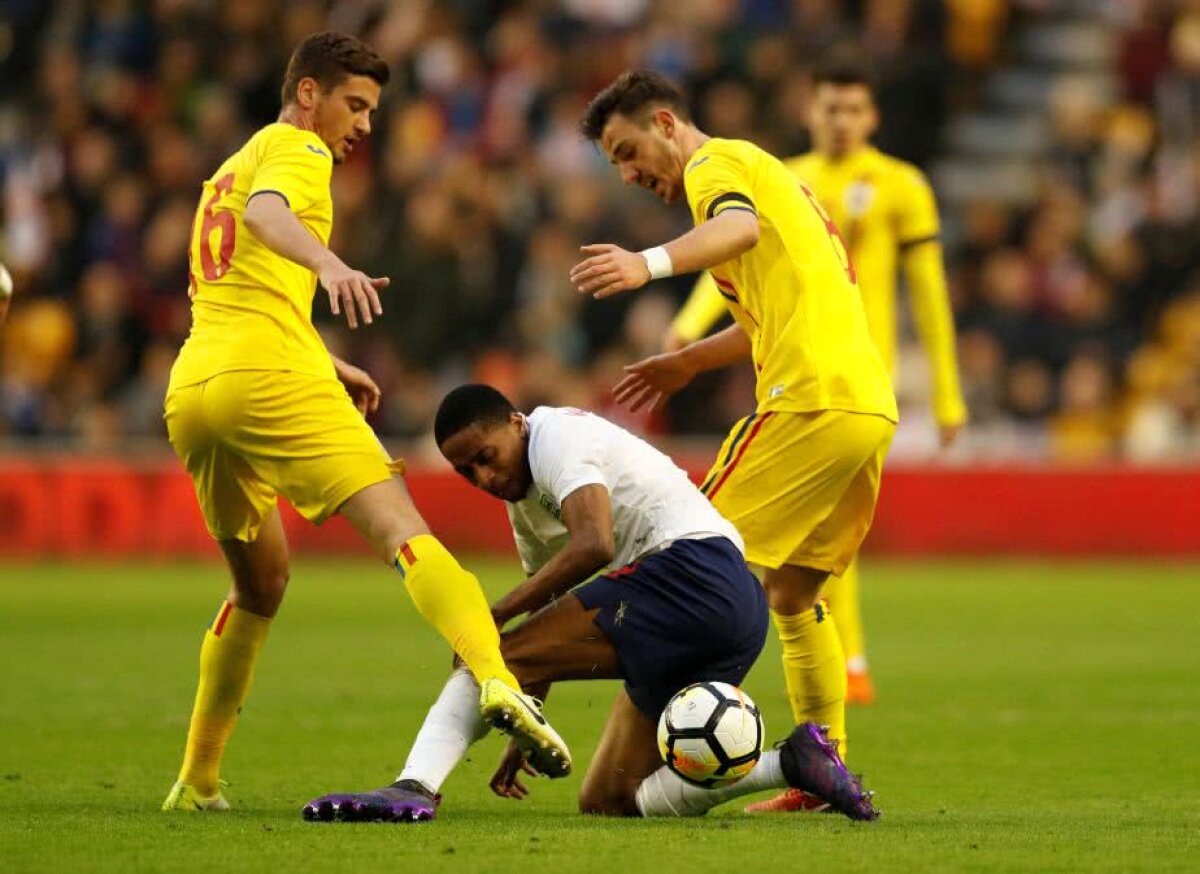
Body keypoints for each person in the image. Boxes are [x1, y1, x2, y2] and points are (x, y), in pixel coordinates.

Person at [160, 32, 569, 812]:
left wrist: (323, 357)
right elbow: (272, 215)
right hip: (265, 376)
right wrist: (330, 264)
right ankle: (494, 676)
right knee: (401, 529)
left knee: (260, 583)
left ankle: (198, 780)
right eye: (356, 104)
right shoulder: (297, 152)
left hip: (197, 388)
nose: (365, 125)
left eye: (374, 110)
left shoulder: (227, 167)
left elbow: (247, 282)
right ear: (308, 93)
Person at [301, 384, 878, 821]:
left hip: (690, 573)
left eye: (485, 455)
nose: (483, 475)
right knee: (610, 799)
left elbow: (594, 544)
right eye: (465, 471)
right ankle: (792, 763)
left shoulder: (556, 438)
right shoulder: (524, 505)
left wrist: (490, 616)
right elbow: (547, 623)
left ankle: (414, 785)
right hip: (728, 610)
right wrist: (524, 727)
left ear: (515, 423)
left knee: (494, 647)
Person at [569, 70, 897, 814]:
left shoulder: (718, 164)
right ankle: (823, 768)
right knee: (793, 591)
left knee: (687, 563)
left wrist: (645, 264)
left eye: (628, 151)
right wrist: (691, 358)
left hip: (807, 402)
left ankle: (630, 778)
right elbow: (765, 315)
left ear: (664, 121)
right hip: (865, 407)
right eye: (615, 164)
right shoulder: (768, 174)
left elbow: (738, 229)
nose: (628, 173)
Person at [664, 59, 967, 721]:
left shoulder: (900, 185)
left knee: (703, 544)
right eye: (830, 108)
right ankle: (843, 684)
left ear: (873, 117)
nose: (841, 121)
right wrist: (687, 332)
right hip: (835, 385)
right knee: (809, 566)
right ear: (810, 113)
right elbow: (728, 261)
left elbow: (929, 293)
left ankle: (692, 695)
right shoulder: (788, 179)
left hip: (838, 380)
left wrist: (947, 392)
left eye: (853, 109)